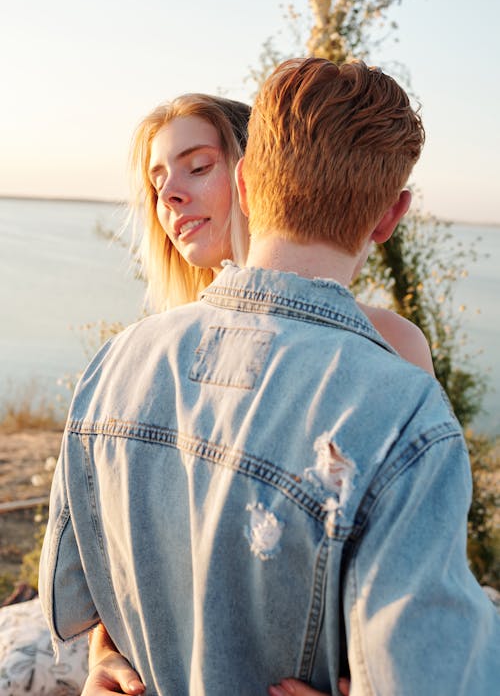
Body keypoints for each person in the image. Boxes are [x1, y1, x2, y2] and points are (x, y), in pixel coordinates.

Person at [41, 57, 498, 694]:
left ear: (247, 184)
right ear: (392, 218)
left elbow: (70, 591)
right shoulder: (404, 412)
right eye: (160, 179)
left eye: (200, 167)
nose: (173, 193)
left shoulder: (114, 366)